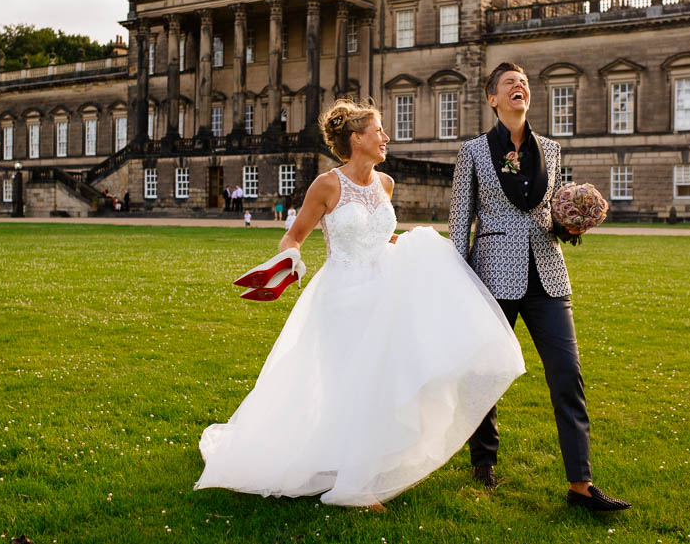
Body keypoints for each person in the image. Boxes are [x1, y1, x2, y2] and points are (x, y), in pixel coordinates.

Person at [195, 99, 525, 507]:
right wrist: (289, 259)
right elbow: (294, 235)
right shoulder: (328, 185)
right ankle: (355, 484)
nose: (386, 138)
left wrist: (415, 244)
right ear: (356, 139)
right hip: (342, 295)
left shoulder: (386, 184)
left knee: (381, 382)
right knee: (350, 383)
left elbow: (382, 237)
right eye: (378, 131)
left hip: (385, 291)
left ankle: (364, 465)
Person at [449, 61, 631, 511]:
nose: (519, 88)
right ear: (492, 98)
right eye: (510, 84)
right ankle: (483, 461)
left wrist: (571, 224)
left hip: (548, 274)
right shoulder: (472, 152)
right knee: (486, 374)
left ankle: (580, 485)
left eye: (524, 84)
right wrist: (456, 276)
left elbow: (548, 210)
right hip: (492, 273)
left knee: (567, 375)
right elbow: (460, 220)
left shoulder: (550, 148)